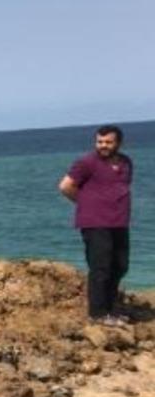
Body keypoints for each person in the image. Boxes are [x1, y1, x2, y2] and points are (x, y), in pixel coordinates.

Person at [59, 125, 134, 326]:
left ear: (118, 143)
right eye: (100, 142)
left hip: (119, 222)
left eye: (108, 142)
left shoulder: (126, 162)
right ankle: (98, 314)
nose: (103, 146)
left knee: (120, 266)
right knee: (100, 267)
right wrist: (86, 204)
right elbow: (65, 186)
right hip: (95, 223)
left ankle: (110, 309)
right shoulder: (87, 163)